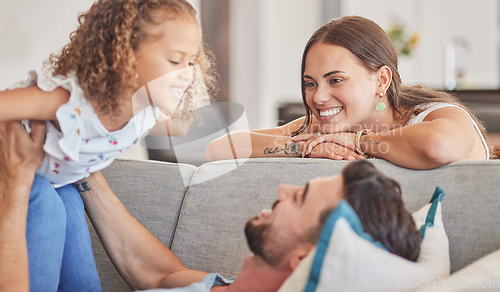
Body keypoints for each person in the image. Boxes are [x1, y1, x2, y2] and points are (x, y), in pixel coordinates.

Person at [0, 120, 421, 292]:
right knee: (65, 192)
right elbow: (160, 273)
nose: (283, 188)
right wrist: (86, 168)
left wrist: (17, 187)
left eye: (302, 197)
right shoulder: (228, 285)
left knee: (38, 197)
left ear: (304, 256)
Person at [0, 0, 216, 291]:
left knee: (70, 204)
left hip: (55, 183)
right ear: (123, 55)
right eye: (174, 60)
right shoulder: (72, 103)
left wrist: (285, 134)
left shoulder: (147, 113)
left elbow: (192, 133)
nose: (188, 73)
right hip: (12, 171)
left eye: (192, 61)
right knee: (46, 204)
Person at [204, 15, 494, 169]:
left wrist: (356, 141)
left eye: (336, 80)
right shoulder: (322, 129)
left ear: (381, 80)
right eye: (310, 83)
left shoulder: (435, 115)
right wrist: (303, 148)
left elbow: (439, 147)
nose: (318, 98)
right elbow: (218, 150)